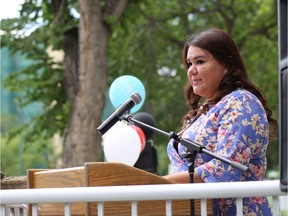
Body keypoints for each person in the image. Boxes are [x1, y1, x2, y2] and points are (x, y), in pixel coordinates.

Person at [163, 28, 278, 216]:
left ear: (227, 64)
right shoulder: (201, 112)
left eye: (200, 62)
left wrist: (161, 183)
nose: (191, 70)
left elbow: (225, 168)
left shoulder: (241, 103)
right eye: (189, 63)